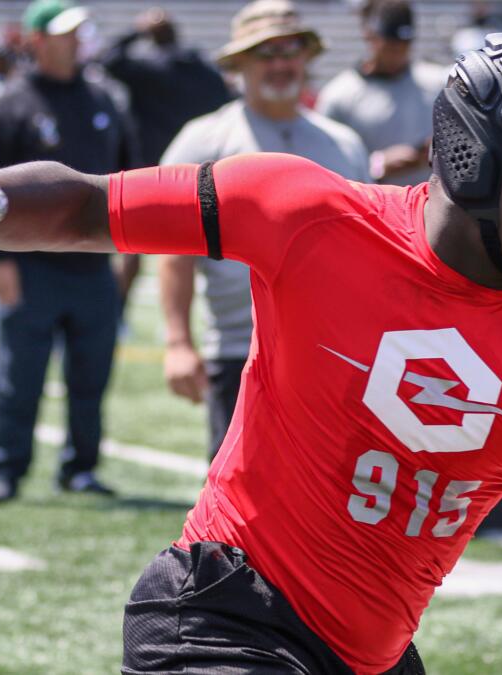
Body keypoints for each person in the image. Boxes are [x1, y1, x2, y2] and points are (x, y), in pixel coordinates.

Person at [0, 34, 502, 675]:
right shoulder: (308, 213)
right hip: (221, 615)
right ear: (470, 158)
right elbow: (90, 207)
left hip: (369, 658)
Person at [159, 0, 369, 461]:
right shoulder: (204, 140)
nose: (280, 64)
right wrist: (178, 342)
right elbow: (173, 252)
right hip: (239, 350)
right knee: (236, 498)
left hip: (331, 353)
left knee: (324, 495)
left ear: (306, 57)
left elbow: (368, 254)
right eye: (265, 53)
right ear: (240, 64)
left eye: (290, 50)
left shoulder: (343, 143)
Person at [0, 0, 139, 502]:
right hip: (31, 264)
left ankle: (80, 468)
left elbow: (130, 181)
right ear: (37, 40)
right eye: (65, 32)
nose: (76, 40)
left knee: (92, 374)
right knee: (18, 373)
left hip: (93, 265)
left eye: (79, 31)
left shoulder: (106, 100)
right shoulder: (11, 104)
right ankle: (4, 470)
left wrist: (130, 257)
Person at [315, 0, 448, 186]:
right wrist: (377, 165)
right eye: (390, 46)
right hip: (370, 209)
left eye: (404, 45)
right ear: (370, 36)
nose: (398, 53)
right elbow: (324, 167)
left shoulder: (438, 84)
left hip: (429, 208)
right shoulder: (338, 96)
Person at [100, 7, 232, 167]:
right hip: (196, 162)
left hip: (151, 165)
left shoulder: (149, 71)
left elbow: (108, 60)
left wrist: (137, 31)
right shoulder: (205, 71)